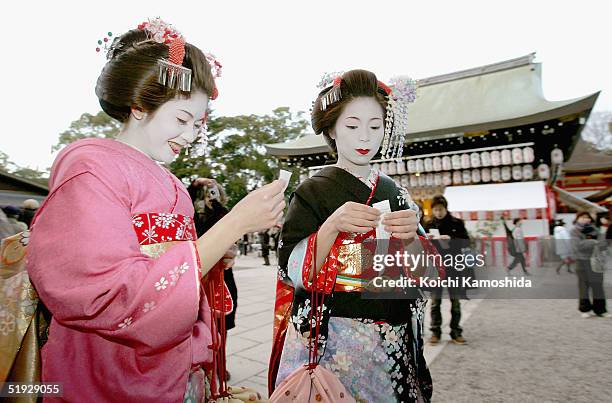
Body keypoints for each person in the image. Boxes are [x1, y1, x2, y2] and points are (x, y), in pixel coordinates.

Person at [25, 18, 284, 402]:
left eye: (198, 124)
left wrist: (212, 256)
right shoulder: (89, 167)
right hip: (108, 370)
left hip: (178, 366)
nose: (190, 135)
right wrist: (230, 226)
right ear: (140, 104)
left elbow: (174, 262)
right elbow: (104, 294)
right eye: (182, 119)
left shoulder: (173, 183)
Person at [269, 70, 435, 402]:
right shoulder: (312, 191)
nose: (365, 137)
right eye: (352, 125)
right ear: (331, 128)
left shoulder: (395, 191)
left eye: (375, 127)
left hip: (394, 335)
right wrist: (331, 227)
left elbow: (427, 272)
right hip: (335, 334)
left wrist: (412, 241)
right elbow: (291, 270)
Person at [424, 195, 469, 345]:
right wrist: (427, 240)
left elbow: (466, 241)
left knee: (455, 301)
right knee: (435, 302)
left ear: (446, 208)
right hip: (435, 269)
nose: (438, 212)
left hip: (453, 267)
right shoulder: (428, 223)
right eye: (435, 210)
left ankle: (456, 331)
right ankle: (435, 331)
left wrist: (451, 239)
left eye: (441, 209)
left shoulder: (457, 223)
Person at [570, 211, 608, 318]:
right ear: (577, 219)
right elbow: (577, 246)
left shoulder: (595, 230)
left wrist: (592, 242)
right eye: (582, 217)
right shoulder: (574, 231)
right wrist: (593, 242)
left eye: (587, 218)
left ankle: (600, 310)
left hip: (596, 261)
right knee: (584, 286)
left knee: (598, 286)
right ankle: (585, 309)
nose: (585, 219)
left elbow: (603, 243)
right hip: (582, 261)